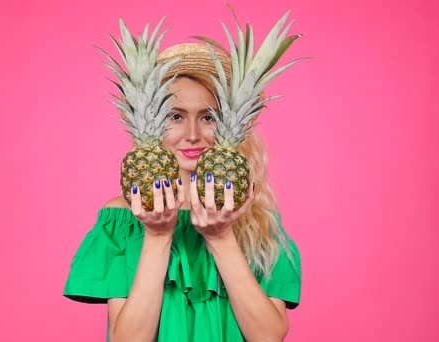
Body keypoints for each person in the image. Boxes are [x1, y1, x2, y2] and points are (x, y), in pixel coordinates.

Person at [63, 42, 302, 342]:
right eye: (175, 117)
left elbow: (268, 337)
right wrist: (157, 236)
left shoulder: (259, 221)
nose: (192, 135)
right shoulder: (122, 221)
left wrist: (221, 237)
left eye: (208, 117)